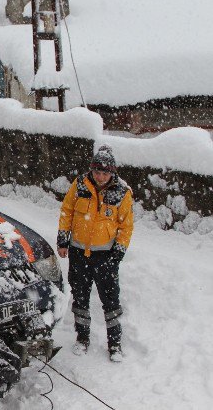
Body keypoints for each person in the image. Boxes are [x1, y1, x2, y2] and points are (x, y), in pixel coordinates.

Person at [56, 145, 134, 362]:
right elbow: (67, 211)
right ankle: (82, 338)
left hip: (105, 256)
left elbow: (126, 227)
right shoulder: (80, 184)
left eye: (105, 173)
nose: (100, 177)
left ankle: (115, 343)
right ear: (92, 170)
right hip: (79, 253)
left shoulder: (122, 192)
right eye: (97, 172)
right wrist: (63, 240)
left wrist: (117, 255)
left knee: (110, 300)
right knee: (80, 297)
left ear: (112, 172)